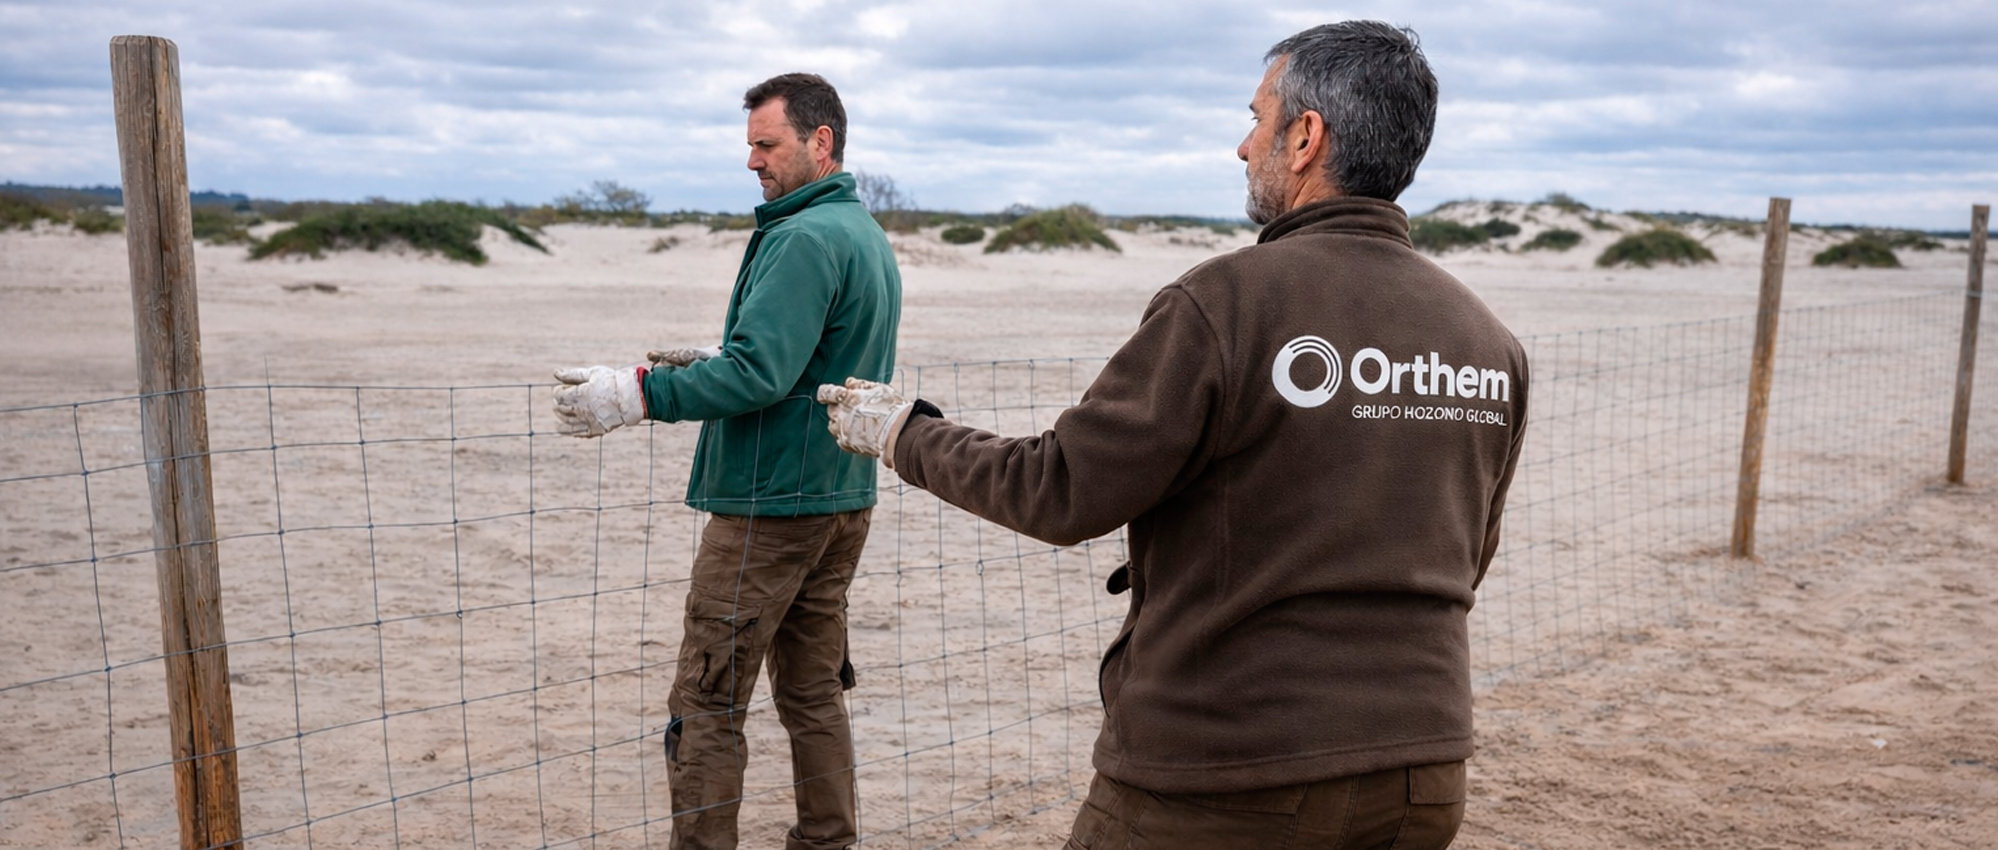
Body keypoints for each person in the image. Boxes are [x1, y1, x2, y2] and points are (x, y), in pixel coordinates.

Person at [816, 22, 1528, 850]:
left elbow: (1059, 490)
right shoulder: (1488, 341)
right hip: (1423, 773)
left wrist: (905, 433)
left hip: (1229, 767)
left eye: (1257, 118)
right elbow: (1466, 555)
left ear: (1305, 138)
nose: (1241, 145)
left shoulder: (1225, 301)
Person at [551, 72, 901, 850]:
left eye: (766, 144)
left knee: (707, 700)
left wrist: (640, 392)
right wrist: (730, 355)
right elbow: (806, 362)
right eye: (749, 145)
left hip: (770, 505)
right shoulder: (861, 234)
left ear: (822, 142)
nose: (752, 161)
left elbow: (760, 375)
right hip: (842, 495)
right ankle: (828, 841)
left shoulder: (805, 237)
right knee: (813, 693)